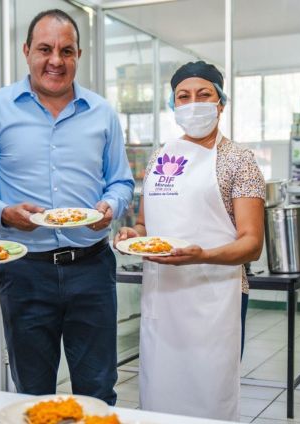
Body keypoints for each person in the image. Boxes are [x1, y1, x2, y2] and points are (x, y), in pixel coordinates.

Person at [0, 9, 133, 404]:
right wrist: (3, 213)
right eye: (45, 49)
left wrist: (110, 206)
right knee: (32, 392)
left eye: (66, 51)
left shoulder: (102, 113)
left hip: (91, 268)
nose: (56, 60)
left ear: (78, 55)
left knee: (97, 390)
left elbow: (121, 181)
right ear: (26, 51)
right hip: (24, 271)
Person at [114, 61, 265, 420]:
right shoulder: (160, 156)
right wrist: (134, 235)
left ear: (220, 103)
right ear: (173, 104)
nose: (193, 103)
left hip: (215, 297)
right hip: (163, 297)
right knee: (160, 391)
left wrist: (202, 255)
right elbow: (145, 224)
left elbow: (252, 243)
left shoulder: (239, 161)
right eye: (183, 96)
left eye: (204, 94)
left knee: (210, 394)